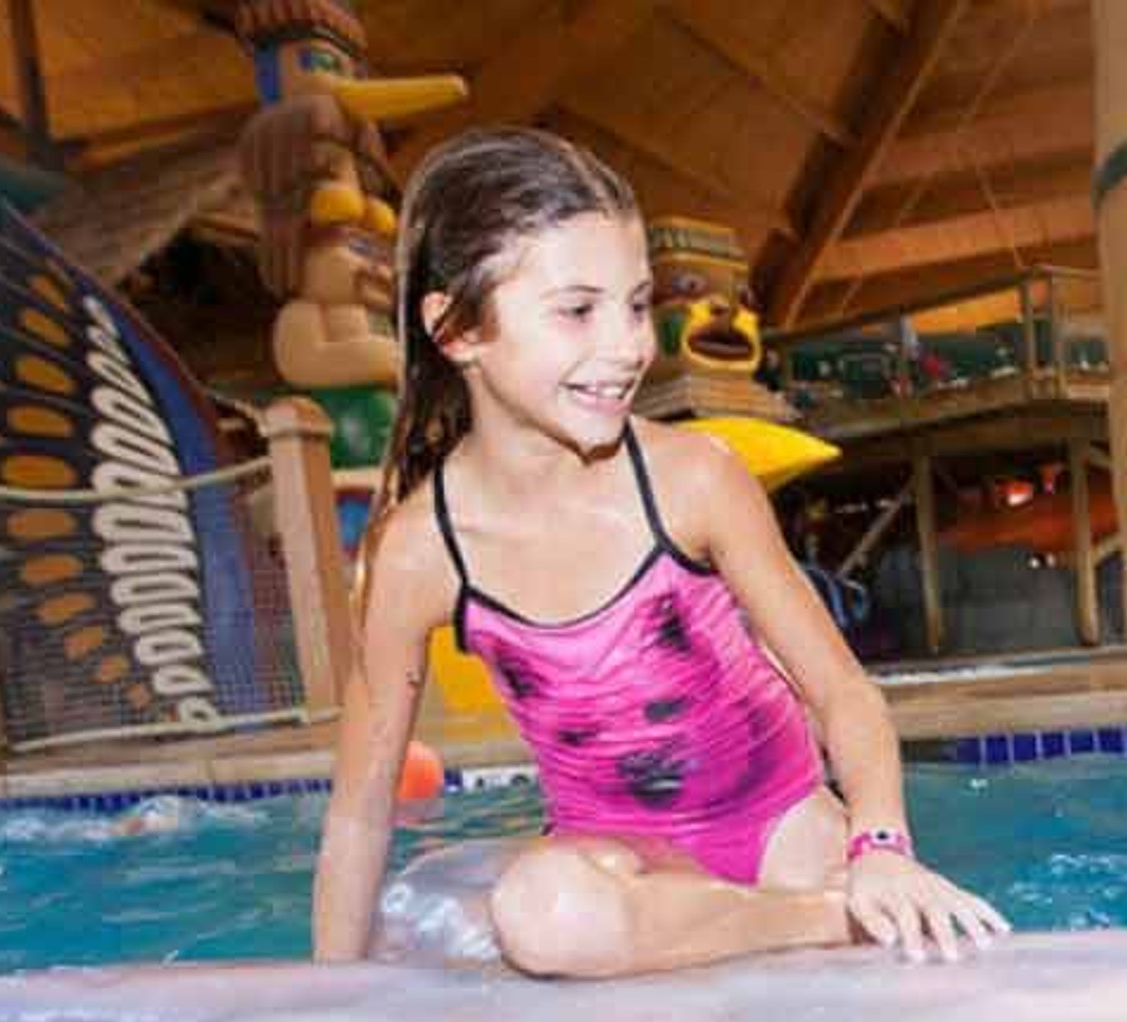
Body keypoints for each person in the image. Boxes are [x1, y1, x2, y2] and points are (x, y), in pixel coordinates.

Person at [312, 129, 1008, 977]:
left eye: (636, 305)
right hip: (622, 866)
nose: (628, 347)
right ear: (456, 329)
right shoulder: (422, 552)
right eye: (578, 310)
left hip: (784, 829)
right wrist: (331, 1002)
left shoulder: (692, 481)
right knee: (543, 915)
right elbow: (359, 810)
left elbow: (842, 692)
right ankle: (818, 923)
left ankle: (816, 910)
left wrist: (882, 845)